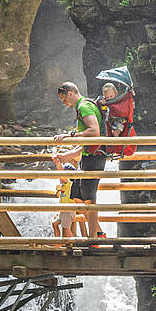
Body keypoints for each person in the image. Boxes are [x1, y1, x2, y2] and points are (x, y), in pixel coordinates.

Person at [54, 81, 106, 239]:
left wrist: (69, 136)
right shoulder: (82, 107)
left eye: (64, 99)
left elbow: (94, 132)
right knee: (77, 195)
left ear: (70, 93)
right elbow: (88, 144)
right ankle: (98, 233)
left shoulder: (84, 106)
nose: (64, 103)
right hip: (88, 155)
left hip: (95, 158)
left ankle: (94, 239)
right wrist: (67, 156)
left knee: (89, 199)